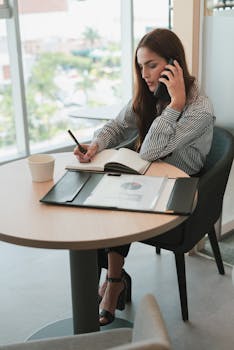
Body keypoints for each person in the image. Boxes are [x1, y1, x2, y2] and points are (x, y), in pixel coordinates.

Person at [74, 28, 215, 326]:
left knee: (119, 204)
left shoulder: (198, 109)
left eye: (152, 65)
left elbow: (149, 150)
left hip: (181, 186)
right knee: (102, 200)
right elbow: (116, 125)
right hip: (150, 178)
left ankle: (113, 282)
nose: (146, 74)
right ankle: (115, 276)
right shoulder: (149, 94)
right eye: (141, 66)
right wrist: (96, 145)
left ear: (174, 64)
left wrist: (175, 105)